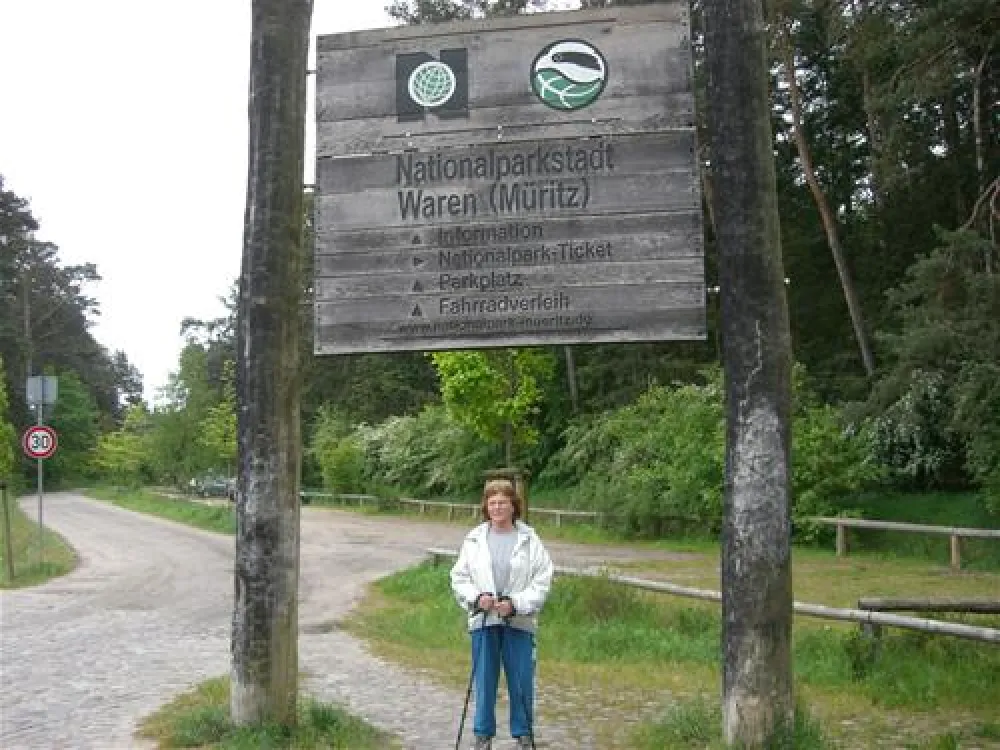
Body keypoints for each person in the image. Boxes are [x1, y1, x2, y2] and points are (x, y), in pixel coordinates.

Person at [450, 478, 554, 750]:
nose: (496, 508)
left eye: (502, 502)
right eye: (492, 502)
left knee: (521, 680)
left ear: (513, 506)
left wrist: (516, 603)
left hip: (519, 621)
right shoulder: (474, 539)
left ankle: (523, 735)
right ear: (485, 506)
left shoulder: (530, 540)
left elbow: (542, 580)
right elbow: (459, 577)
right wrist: (476, 597)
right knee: (484, 680)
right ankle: (483, 736)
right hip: (484, 621)